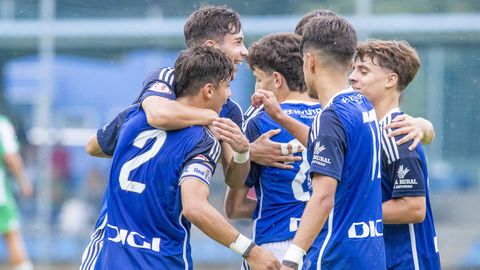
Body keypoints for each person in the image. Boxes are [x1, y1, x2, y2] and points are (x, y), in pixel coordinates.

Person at [83, 45, 280, 270]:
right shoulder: (203, 140)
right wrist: (251, 251)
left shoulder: (135, 114)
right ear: (208, 90)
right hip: (159, 261)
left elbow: (93, 146)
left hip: (106, 257)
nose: (229, 94)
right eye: (227, 86)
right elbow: (194, 207)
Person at [252, 15, 386, 269]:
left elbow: (323, 198)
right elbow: (330, 146)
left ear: (309, 61)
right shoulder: (361, 105)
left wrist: (292, 259)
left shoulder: (331, 117)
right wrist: (280, 117)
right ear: (349, 63)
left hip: (336, 254)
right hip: (370, 252)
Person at [224, 33, 321, 268]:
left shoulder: (261, 121)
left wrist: (278, 205)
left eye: (258, 79)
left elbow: (234, 206)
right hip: (322, 242)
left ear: (276, 79)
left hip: (275, 244)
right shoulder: (331, 115)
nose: (257, 88)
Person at [349, 39, 441, 269]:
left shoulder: (395, 133)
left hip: (408, 262)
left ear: (391, 80)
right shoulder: (371, 129)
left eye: (363, 70)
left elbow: (414, 208)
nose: (352, 77)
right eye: (353, 69)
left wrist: (347, 211)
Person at [0, 114, 33, 270]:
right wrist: (24, 182)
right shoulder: (2, 124)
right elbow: (11, 157)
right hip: (1, 197)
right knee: (12, 235)